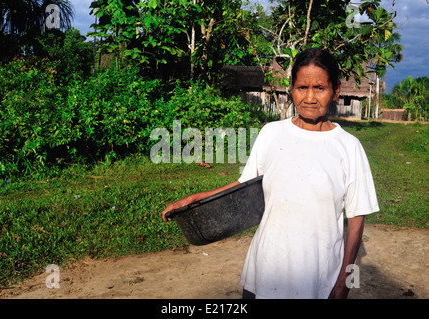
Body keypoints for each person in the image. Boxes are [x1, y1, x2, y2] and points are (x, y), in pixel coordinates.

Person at [161, 48, 379, 299]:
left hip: (318, 281)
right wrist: (193, 199)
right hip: (264, 273)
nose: (309, 97)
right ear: (291, 88)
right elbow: (243, 186)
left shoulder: (349, 147)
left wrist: (344, 284)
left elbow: (356, 221)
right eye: (301, 87)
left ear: (336, 91)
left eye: (319, 88)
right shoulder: (271, 133)